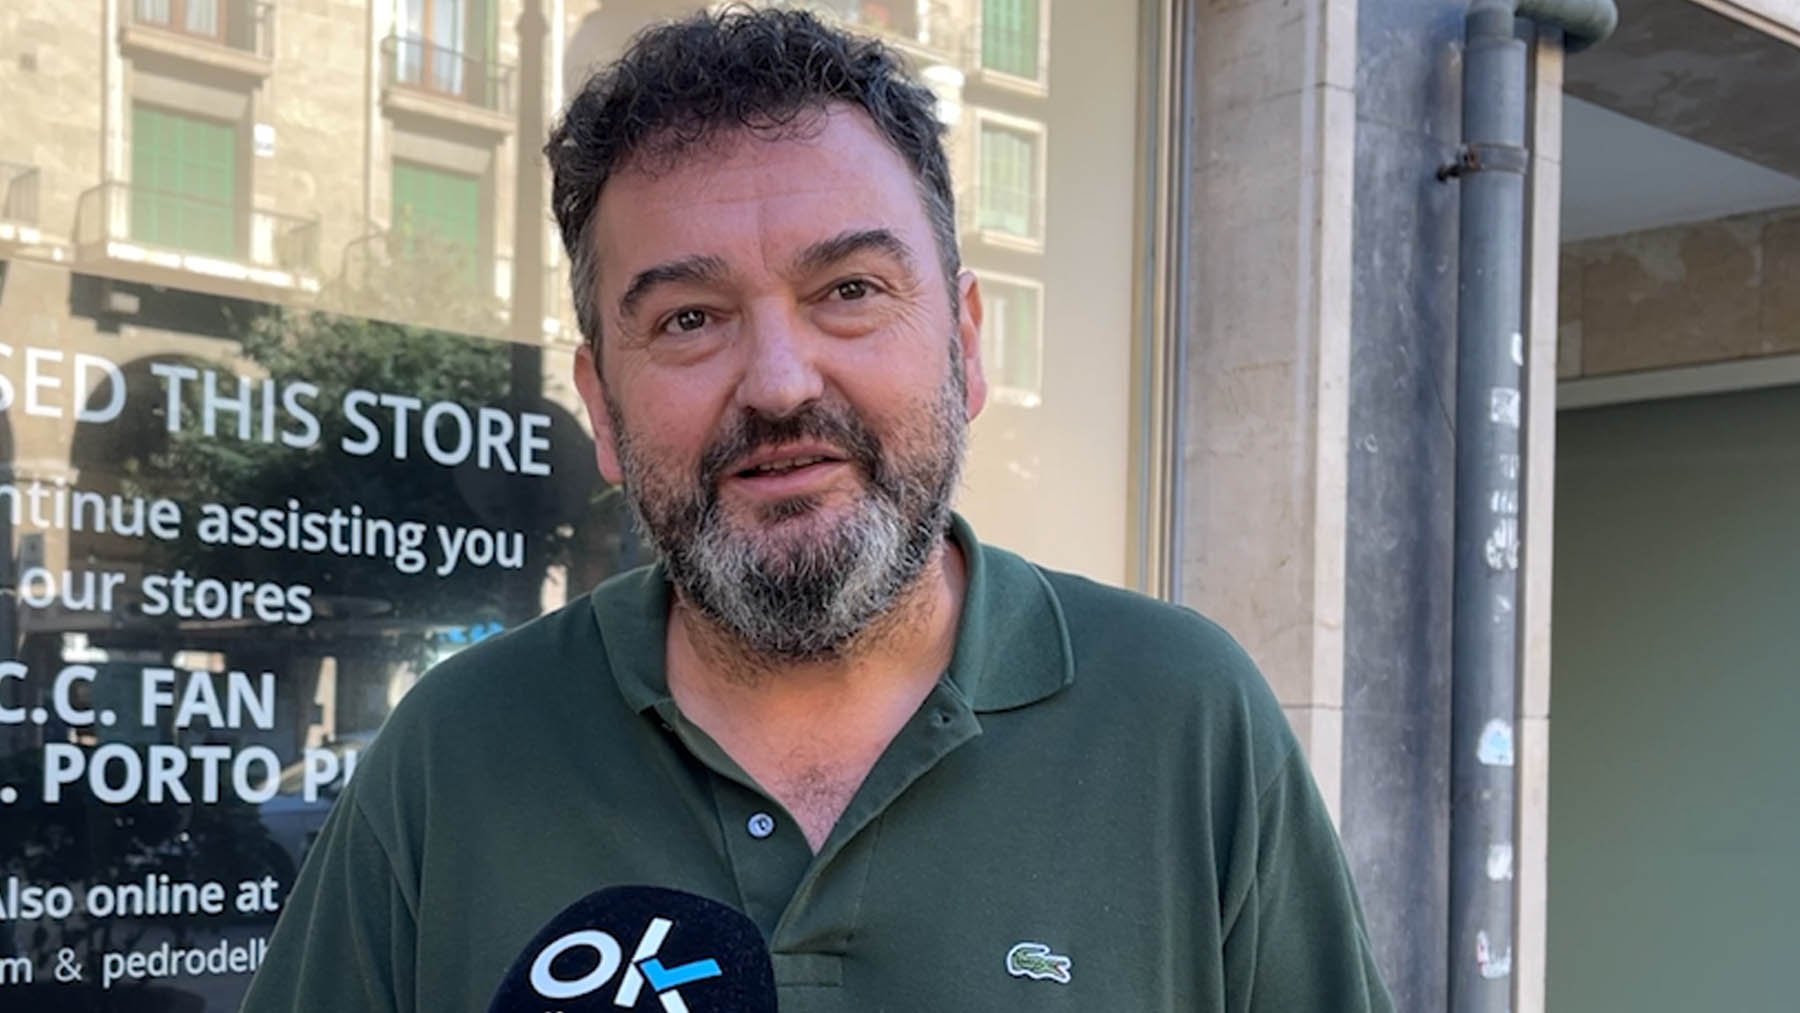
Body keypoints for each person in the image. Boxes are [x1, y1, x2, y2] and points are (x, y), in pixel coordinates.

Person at [244, 8, 1394, 1011]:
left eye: (849, 290)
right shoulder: (458, 753)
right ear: (602, 403)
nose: (782, 381)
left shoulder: (1183, 718)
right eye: (690, 317)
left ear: (966, 342)